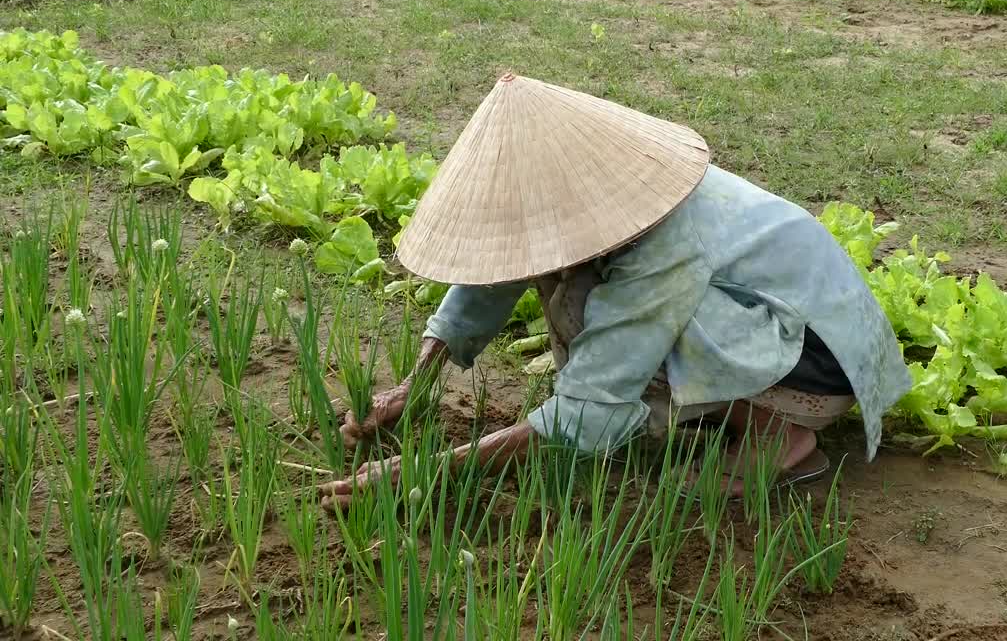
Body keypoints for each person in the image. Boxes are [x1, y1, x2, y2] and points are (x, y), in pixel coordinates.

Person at [319, 74, 911, 510]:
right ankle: (731, 417)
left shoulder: (664, 243)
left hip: (820, 363)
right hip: (784, 326)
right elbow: (495, 274)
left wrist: (424, 470)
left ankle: (782, 438)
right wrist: (415, 382)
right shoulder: (605, 203)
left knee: (587, 313)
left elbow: (590, 408)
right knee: (574, 289)